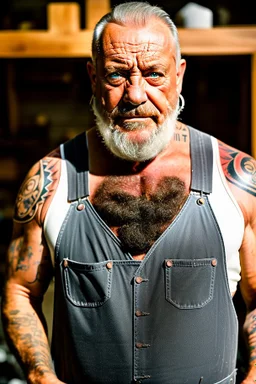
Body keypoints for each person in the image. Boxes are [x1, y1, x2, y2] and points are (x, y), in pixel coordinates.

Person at [1, 1, 256, 383]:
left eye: (154, 74)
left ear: (179, 75)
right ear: (92, 77)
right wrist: (41, 376)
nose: (135, 95)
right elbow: (20, 291)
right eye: (117, 76)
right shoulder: (51, 181)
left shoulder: (236, 180)